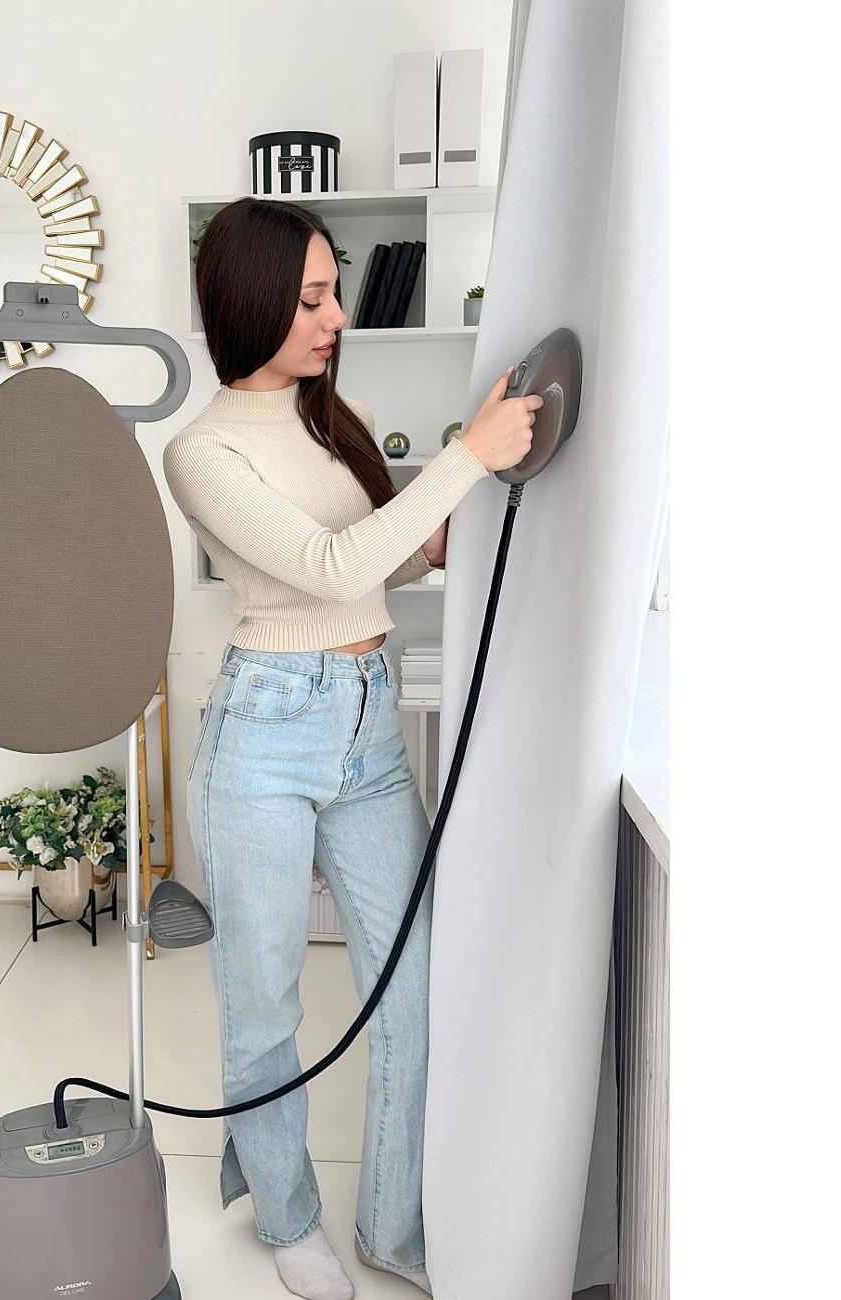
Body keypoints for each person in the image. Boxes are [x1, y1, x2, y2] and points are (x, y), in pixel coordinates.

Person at [160, 197, 540, 1300]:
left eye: (335, 295)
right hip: (266, 734)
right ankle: (288, 1219)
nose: (336, 319)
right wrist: (464, 458)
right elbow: (329, 567)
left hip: (366, 724)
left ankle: (394, 1226)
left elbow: (381, 564)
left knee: (411, 989)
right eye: (313, 299)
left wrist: (439, 534)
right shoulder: (202, 453)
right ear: (249, 303)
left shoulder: (341, 416)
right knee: (264, 1002)